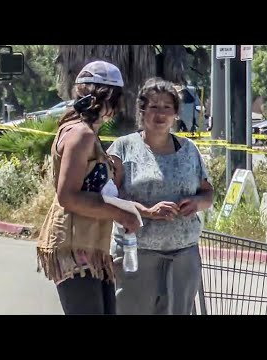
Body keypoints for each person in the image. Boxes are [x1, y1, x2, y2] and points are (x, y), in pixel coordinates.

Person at [36, 60, 141, 315]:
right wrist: (120, 214)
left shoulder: (87, 134)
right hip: (74, 244)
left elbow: (96, 193)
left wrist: (138, 211)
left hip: (92, 245)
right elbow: (68, 196)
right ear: (108, 99)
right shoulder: (80, 135)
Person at [107, 77, 214, 315]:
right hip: (136, 258)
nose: (160, 113)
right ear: (142, 111)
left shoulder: (189, 151)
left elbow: (208, 193)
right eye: (153, 106)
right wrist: (146, 212)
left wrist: (196, 203)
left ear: (176, 113)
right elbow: (108, 198)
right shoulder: (123, 148)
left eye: (167, 107)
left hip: (183, 259)